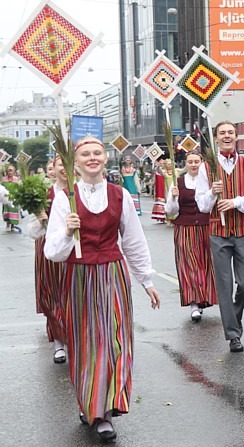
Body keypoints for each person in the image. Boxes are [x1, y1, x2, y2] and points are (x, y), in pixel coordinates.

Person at [44, 136, 161, 442]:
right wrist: (68, 230)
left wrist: (146, 281)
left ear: (105, 159)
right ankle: (90, 405)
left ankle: (106, 410)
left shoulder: (120, 194)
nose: (92, 158)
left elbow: (134, 241)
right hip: (79, 276)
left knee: (115, 340)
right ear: (76, 162)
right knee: (85, 344)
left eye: (97, 153)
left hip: (112, 273)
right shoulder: (64, 199)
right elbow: (52, 251)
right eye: (86, 154)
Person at [195, 121, 244, 352]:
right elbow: (202, 206)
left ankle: (233, 316)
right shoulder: (207, 167)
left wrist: (236, 202)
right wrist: (212, 194)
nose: (226, 136)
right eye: (222, 133)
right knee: (224, 286)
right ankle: (233, 335)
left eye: (230, 133)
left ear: (237, 137)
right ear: (216, 138)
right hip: (218, 233)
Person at [166, 150, 218, 322]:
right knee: (189, 266)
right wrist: (173, 198)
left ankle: (204, 299)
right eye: (190, 162)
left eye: (197, 161)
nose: (194, 165)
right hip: (184, 228)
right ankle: (194, 303)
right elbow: (171, 211)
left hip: (205, 227)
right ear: (186, 164)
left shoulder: (210, 181)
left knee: (205, 263)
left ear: (202, 163)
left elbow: (211, 206)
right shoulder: (178, 182)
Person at [27, 156, 68, 364]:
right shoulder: (45, 194)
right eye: (59, 165)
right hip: (51, 255)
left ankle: (79, 340)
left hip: (77, 255)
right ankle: (59, 342)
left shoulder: (82, 191)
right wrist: (42, 220)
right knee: (53, 298)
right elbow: (33, 232)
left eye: (66, 164)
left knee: (75, 298)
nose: (62, 169)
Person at [2, 164, 21, 233]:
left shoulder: (17, 180)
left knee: (13, 211)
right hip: (6, 197)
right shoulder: (3, 179)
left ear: (14, 172)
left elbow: (19, 188)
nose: (9, 172)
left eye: (11, 171)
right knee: (6, 212)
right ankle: (8, 223)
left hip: (14, 198)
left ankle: (12, 225)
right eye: (8, 171)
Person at [152, 158, 167, 223]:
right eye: (160, 164)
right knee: (160, 202)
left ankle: (166, 216)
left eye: (163, 164)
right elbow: (154, 178)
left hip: (165, 188)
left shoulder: (167, 171)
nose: (161, 165)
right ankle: (160, 216)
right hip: (159, 189)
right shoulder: (157, 171)